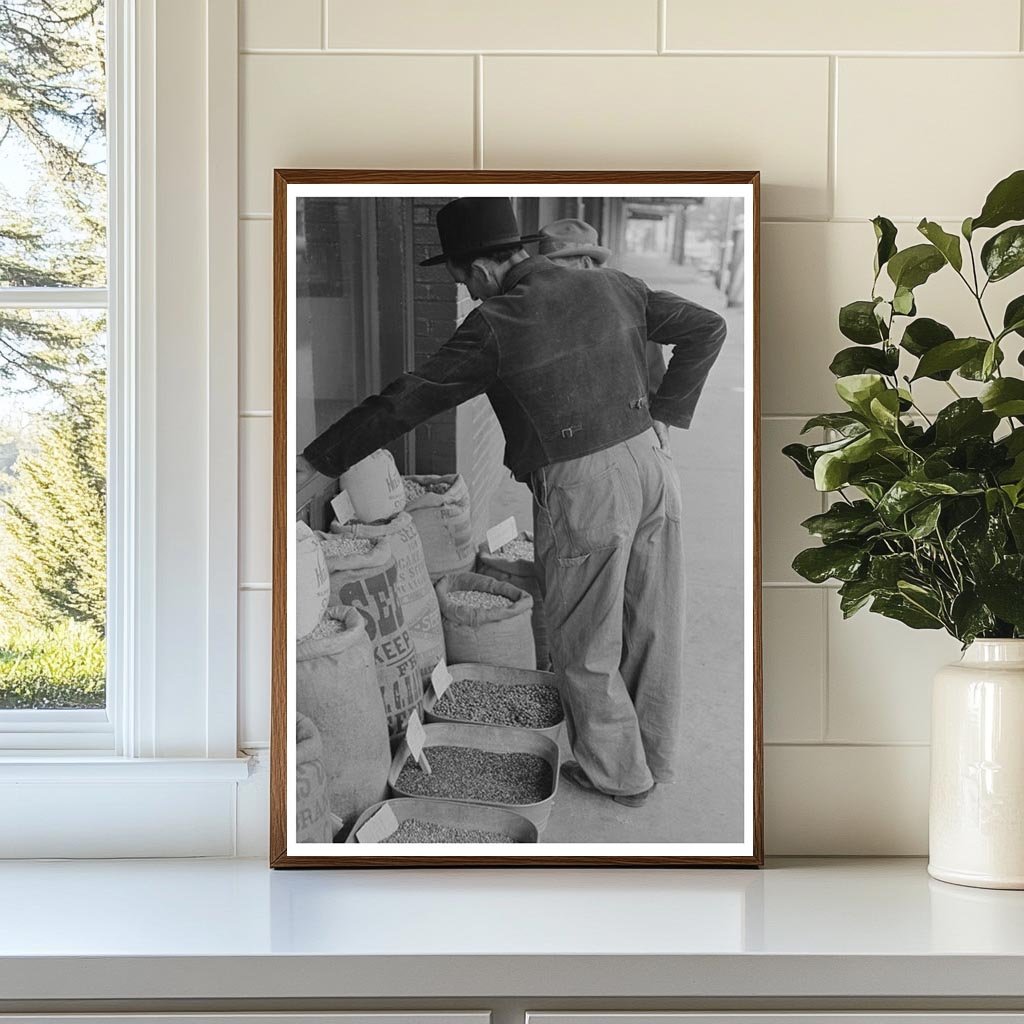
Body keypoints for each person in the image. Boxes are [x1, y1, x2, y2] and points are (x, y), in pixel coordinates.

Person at [297, 196, 727, 807]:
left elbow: (409, 399)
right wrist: (664, 413)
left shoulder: (499, 321)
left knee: (585, 637)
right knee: (652, 618)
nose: (470, 294)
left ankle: (617, 773)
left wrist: (320, 461)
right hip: (653, 467)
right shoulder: (614, 285)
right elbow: (707, 327)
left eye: (463, 281)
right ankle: (652, 757)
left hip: (584, 485)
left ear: (478, 270)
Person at [538, 218, 668, 395]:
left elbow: (654, 383)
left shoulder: (630, 304)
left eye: (557, 269)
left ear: (585, 263)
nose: (551, 279)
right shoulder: (544, 307)